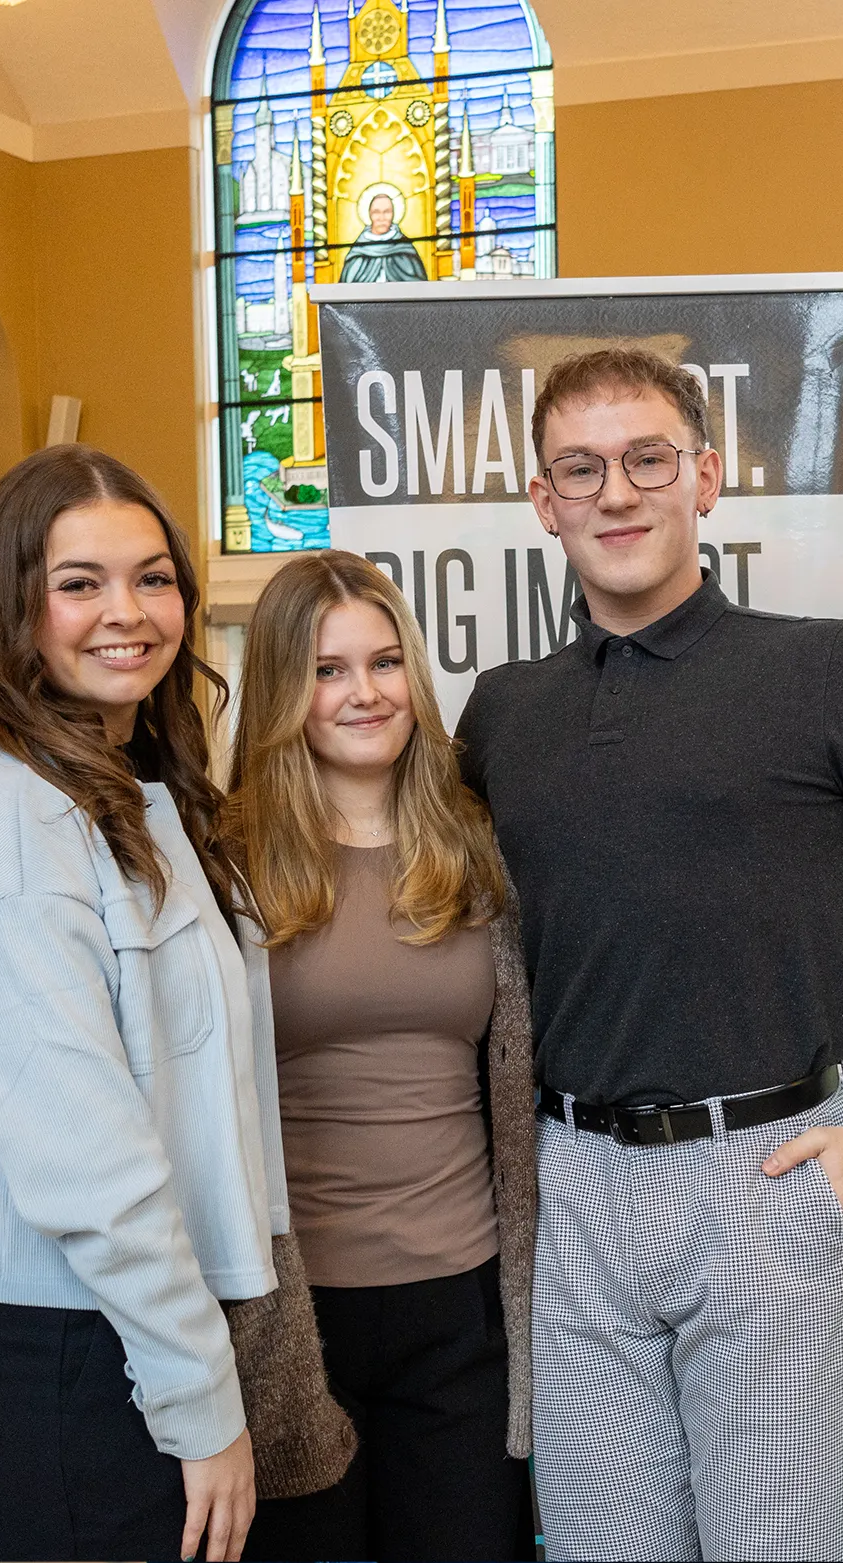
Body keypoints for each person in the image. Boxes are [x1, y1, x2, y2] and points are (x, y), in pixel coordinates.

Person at [455, 347, 843, 1561]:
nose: (615, 492)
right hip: (573, 1188)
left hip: (767, 1171)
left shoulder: (826, 668)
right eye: (581, 467)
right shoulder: (502, 712)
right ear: (542, 501)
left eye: (645, 459)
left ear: (703, 479)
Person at [0, 446, 302, 1562]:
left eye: (153, 577)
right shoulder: (13, 828)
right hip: (52, 1359)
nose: (129, 612)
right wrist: (200, 1402)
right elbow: (91, 1173)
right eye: (81, 583)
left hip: (127, 1333)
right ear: (13, 607)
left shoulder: (117, 792)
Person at [228, 552, 538, 1563]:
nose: (364, 693)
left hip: (460, 1308)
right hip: (284, 1321)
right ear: (281, 690)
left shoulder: (478, 843)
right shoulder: (215, 856)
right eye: (326, 670)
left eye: (384, 661)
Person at [338, 192, 429, 284]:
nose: (381, 218)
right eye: (376, 212)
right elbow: (345, 288)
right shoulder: (358, 250)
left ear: (393, 214)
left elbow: (420, 286)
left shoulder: (404, 247)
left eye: (387, 212)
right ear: (369, 214)